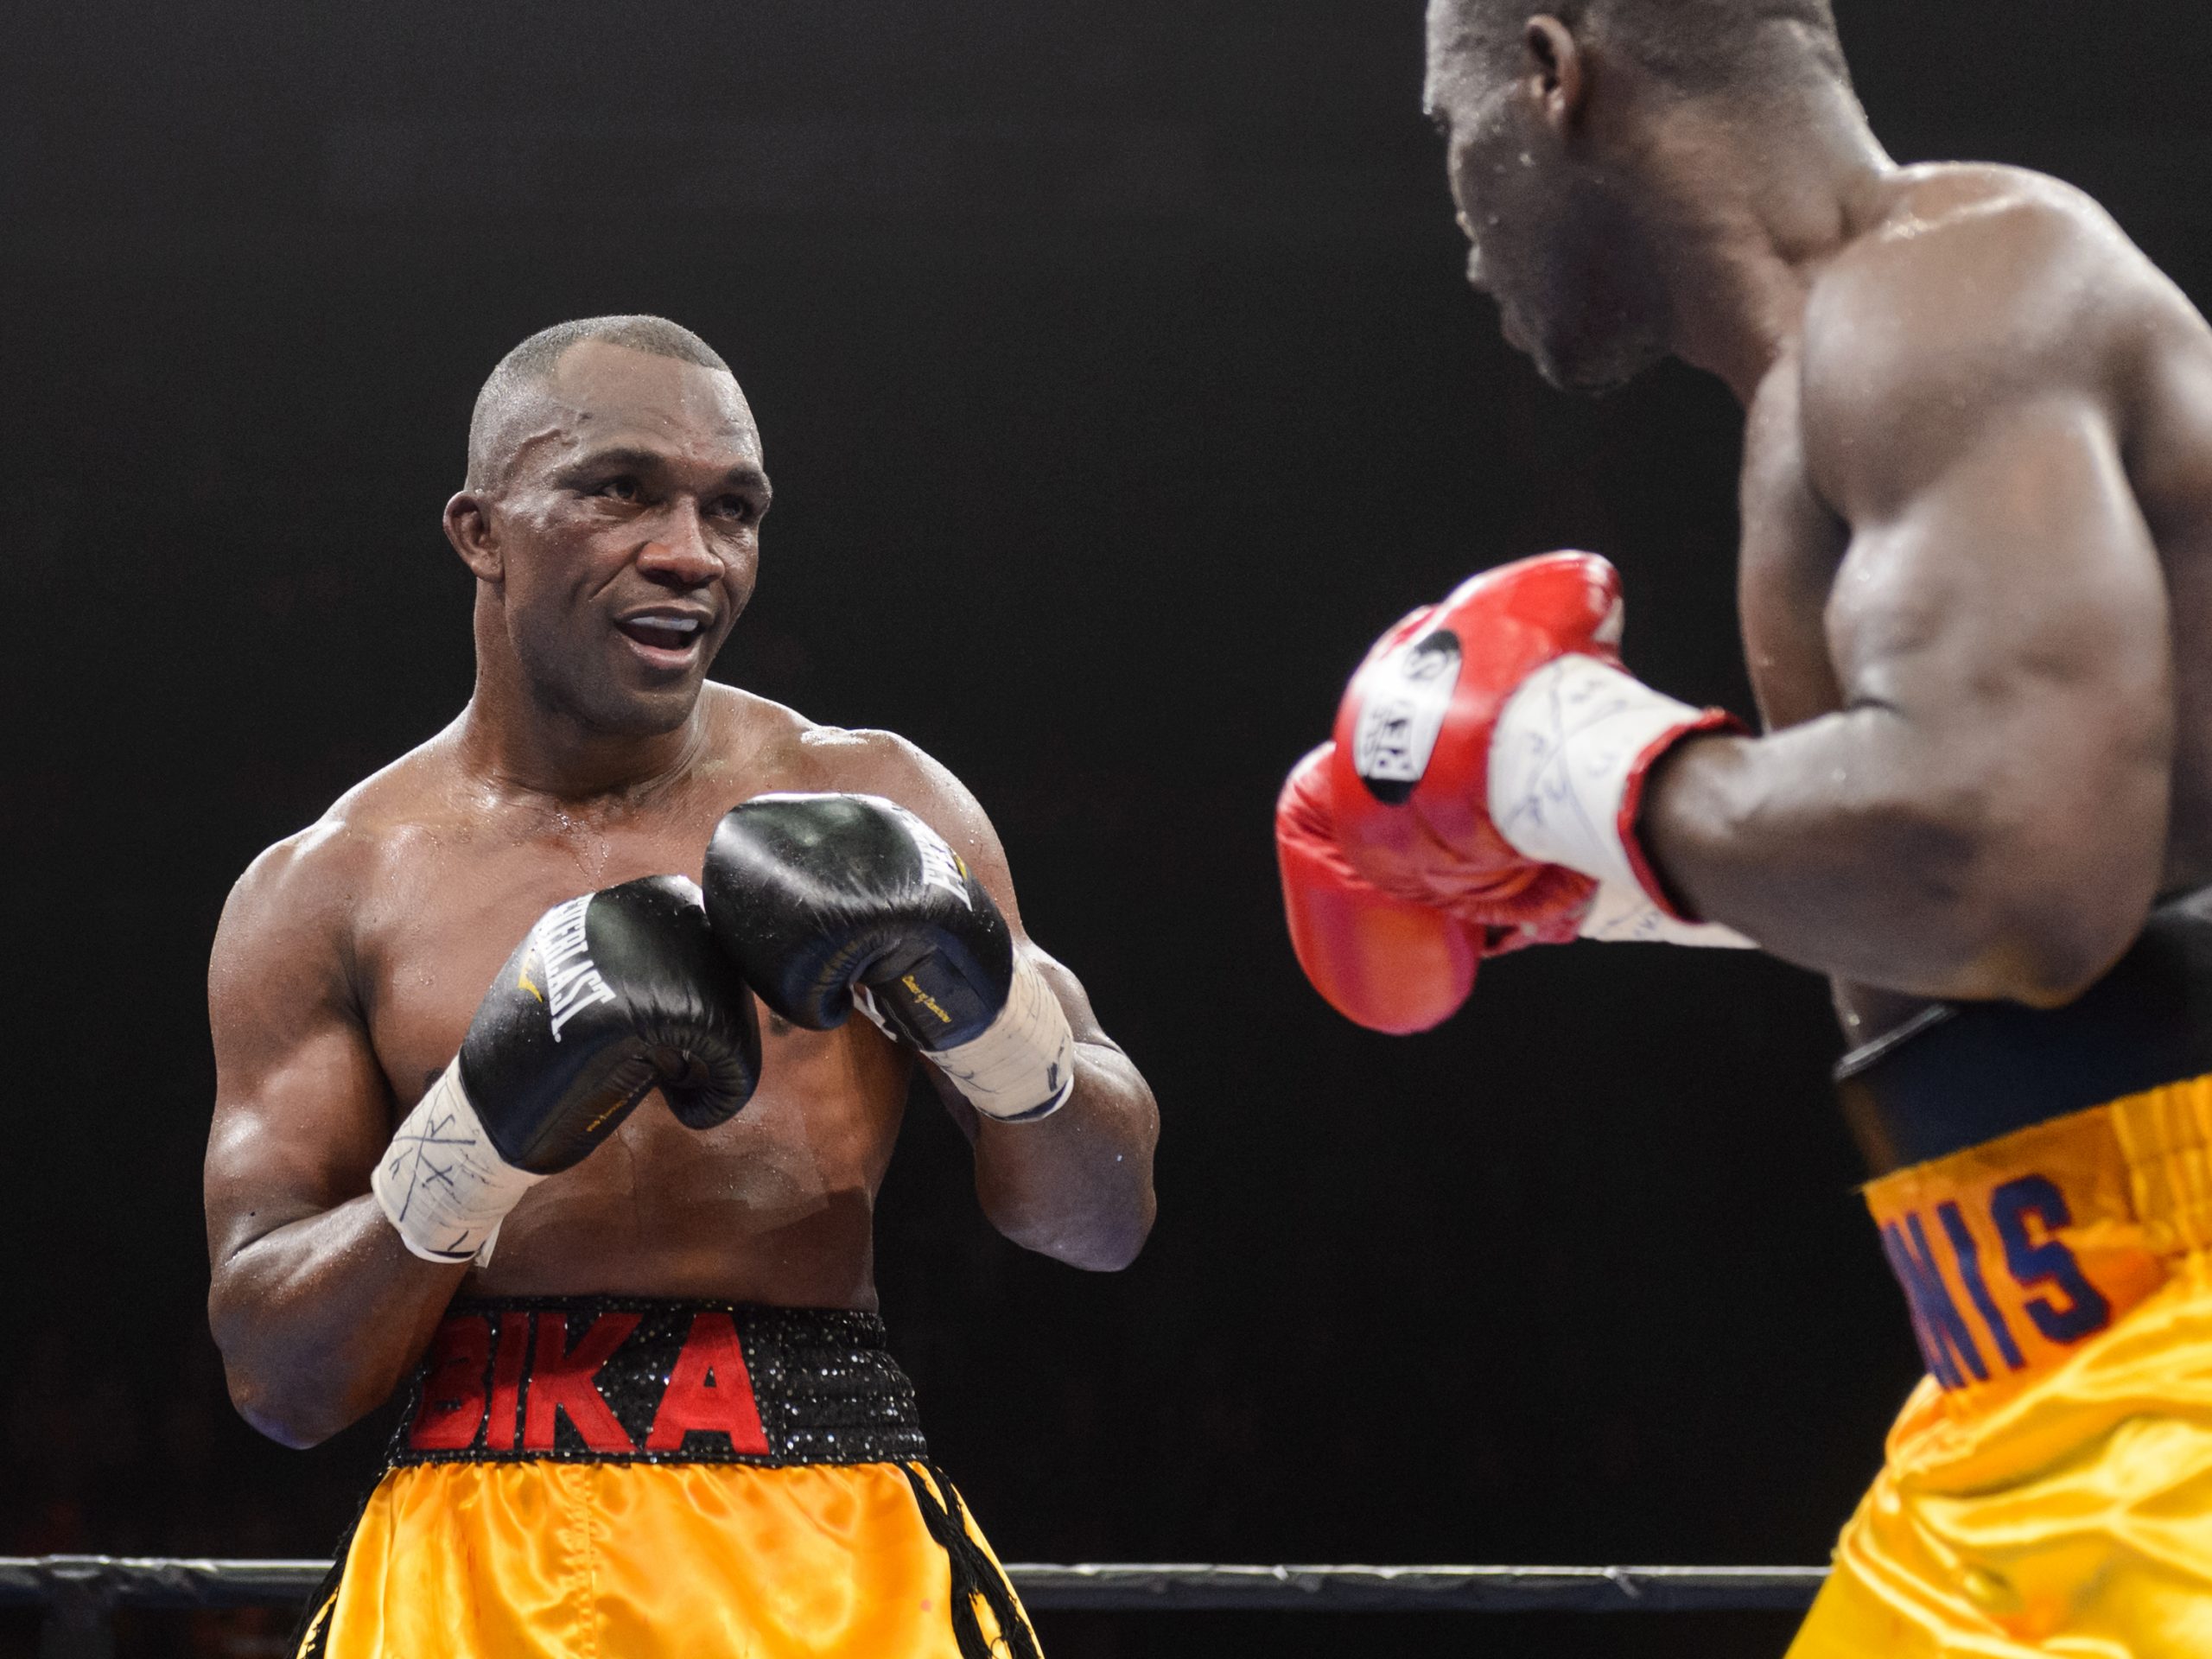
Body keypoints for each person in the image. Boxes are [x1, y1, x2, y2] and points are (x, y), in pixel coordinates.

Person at [1276, 3, 2212, 1654]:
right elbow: (2079, 851)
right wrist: (1616, 875)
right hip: (2032, 1355)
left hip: (2171, 1366)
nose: (1460, 201)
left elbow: (2017, 872)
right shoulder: (1857, 368)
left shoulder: (1954, 289)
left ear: (1557, 78)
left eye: (1453, 128)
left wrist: (1573, 760)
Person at [204, 314, 1159, 1659]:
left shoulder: (874, 801)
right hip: (474, 1568)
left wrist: (993, 1015)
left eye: (735, 509)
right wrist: (483, 1126)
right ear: (480, 532)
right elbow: (279, 1376)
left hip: (834, 1552)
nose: (691, 552)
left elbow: (1098, 1221)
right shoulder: (327, 889)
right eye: (621, 489)